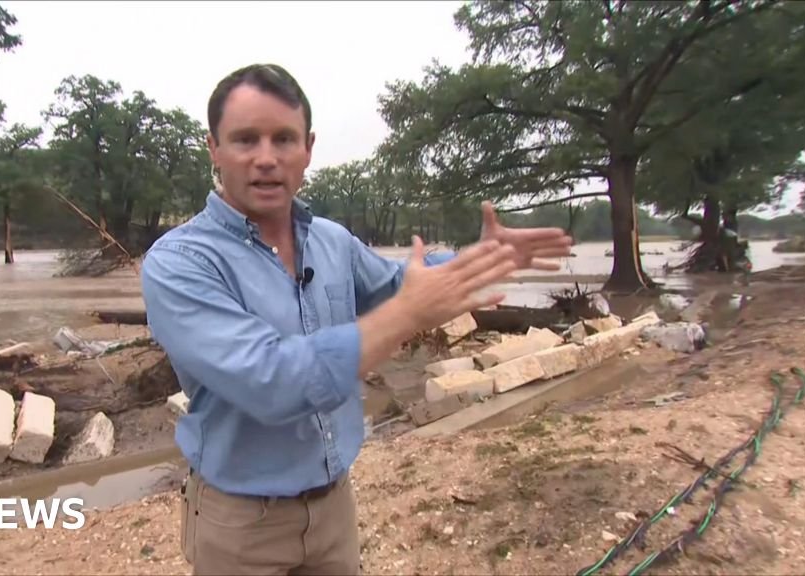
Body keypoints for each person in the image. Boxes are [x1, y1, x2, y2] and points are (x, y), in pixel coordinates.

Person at [140, 63, 573, 576]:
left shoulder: (332, 240)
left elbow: (396, 284)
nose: (266, 158)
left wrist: (472, 261)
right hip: (239, 523)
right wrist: (408, 315)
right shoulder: (180, 262)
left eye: (284, 139)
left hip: (335, 507)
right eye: (245, 139)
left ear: (308, 148)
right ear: (213, 147)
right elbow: (272, 381)